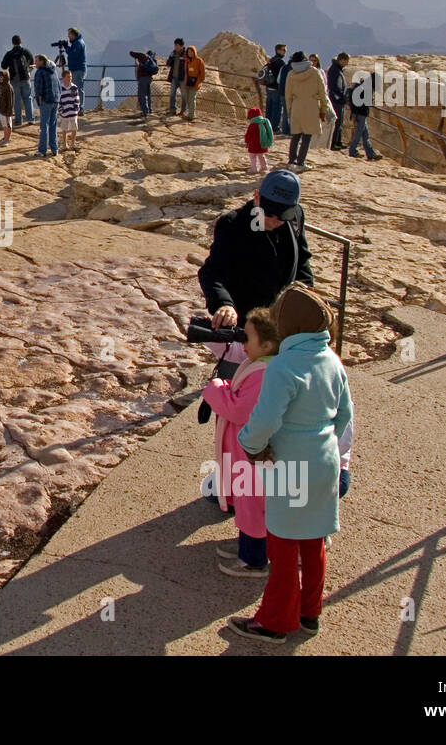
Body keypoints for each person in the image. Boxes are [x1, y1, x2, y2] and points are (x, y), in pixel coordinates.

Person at [229, 284, 351, 643]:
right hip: (325, 460)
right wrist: (323, 440)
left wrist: (250, 444)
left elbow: (265, 420)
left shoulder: (283, 366)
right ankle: (309, 613)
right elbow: (343, 415)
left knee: (282, 549)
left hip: (290, 465)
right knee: (313, 544)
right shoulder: (332, 360)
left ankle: (274, 622)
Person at [196, 169, 314, 381]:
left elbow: (302, 258)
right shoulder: (233, 224)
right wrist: (224, 304)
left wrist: (307, 292)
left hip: (280, 320)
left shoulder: (296, 217)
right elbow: (212, 271)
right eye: (269, 212)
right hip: (246, 324)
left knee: (277, 383)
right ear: (256, 196)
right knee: (236, 384)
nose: (275, 220)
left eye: (283, 215)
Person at [202, 307, 279, 578]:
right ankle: (248, 545)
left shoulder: (263, 375)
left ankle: (253, 561)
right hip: (247, 454)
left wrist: (215, 387)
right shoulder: (263, 364)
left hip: (252, 457)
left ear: (267, 345)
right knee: (249, 505)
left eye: (247, 338)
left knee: (253, 507)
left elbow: (238, 410)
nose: (242, 343)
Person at [284, 52, 325, 171]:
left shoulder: (291, 74)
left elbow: (288, 95)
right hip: (311, 107)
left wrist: (289, 110)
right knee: (307, 137)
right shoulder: (315, 72)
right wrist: (323, 109)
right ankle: (301, 163)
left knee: (295, 136)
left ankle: (292, 161)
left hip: (296, 107)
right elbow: (323, 93)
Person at [0, 35, 36, 126]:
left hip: (14, 80)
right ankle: (30, 119)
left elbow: (3, 66)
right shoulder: (25, 51)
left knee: (16, 99)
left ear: (13, 43)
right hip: (25, 78)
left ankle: (18, 121)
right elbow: (32, 61)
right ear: (20, 42)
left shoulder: (9, 54)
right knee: (28, 98)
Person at [347, 70, 383, 161]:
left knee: (365, 134)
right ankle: (352, 151)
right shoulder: (368, 87)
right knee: (358, 134)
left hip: (356, 112)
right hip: (361, 114)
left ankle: (370, 153)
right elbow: (367, 102)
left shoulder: (362, 84)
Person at [33, 54, 62, 157]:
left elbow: (38, 89)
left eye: (36, 61)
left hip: (46, 101)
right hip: (55, 100)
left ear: (42, 61)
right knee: (53, 125)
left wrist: (40, 102)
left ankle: (42, 150)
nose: (35, 63)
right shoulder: (53, 70)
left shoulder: (40, 72)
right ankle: (55, 149)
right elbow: (59, 86)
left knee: (44, 125)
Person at [311, 54, 338, 154]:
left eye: (314, 60)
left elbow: (325, 87)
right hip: (315, 101)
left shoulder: (320, 72)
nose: (312, 62)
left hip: (321, 99)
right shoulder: (309, 73)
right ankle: (316, 148)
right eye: (310, 60)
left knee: (328, 122)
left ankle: (322, 148)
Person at [260, 43, 287, 133]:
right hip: (276, 88)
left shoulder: (271, 60)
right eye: (283, 50)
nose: (285, 52)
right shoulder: (281, 62)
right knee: (277, 109)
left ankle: (266, 125)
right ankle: (274, 127)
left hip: (269, 87)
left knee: (269, 108)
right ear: (278, 50)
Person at [277, 49, 304, 136]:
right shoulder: (295, 70)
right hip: (292, 94)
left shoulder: (284, 67)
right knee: (293, 113)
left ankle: (285, 130)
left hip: (282, 93)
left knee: (285, 112)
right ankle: (293, 131)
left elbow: (278, 80)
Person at [326, 53, 350, 150]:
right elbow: (334, 87)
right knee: (336, 122)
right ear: (342, 60)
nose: (347, 63)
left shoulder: (337, 69)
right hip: (337, 100)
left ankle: (338, 141)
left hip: (340, 100)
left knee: (340, 122)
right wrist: (340, 97)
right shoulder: (335, 70)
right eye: (346, 61)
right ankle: (333, 143)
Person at [179, 44, 206, 121]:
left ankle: (192, 115)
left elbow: (202, 74)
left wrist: (198, 82)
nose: (190, 53)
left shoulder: (199, 61)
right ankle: (190, 113)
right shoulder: (187, 61)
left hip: (195, 82)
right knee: (187, 98)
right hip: (188, 82)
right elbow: (186, 72)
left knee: (192, 98)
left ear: (194, 52)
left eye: (191, 52)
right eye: (188, 52)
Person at [129, 49, 158, 118]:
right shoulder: (152, 61)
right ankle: (149, 110)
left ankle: (145, 111)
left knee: (142, 95)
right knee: (148, 94)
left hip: (143, 79)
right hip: (149, 78)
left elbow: (132, 53)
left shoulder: (143, 58)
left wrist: (136, 60)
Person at [244, 105, 273, 173]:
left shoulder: (253, 125)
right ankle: (264, 167)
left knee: (252, 157)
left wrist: (246, 141)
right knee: (261, 156)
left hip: (253, 145)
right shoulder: (264, 122)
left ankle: (254, 169)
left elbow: (248, 135)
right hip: (262, 144)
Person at [59, 68, 82, 151]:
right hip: (64, 111)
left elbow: (77, 98)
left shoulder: (74, 87)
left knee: (74, 127)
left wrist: (76, 108)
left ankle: (73, 144)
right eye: (68, 77)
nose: (70, 78)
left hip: (73, 111)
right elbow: (59, 100)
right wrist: (61, 110)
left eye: (71, 77)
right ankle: (65, 144)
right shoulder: (60, 88)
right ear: (63, 78)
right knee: (64, 128)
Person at [64, 28, 87, 103]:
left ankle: (80, 107)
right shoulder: (77, 42)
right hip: (76, 68)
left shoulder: (78, 43)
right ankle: (76, 105)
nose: (68, 36)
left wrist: (67, 48)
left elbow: (74, 55)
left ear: (73, 35)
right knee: (74, 88)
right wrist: (68, 47)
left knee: (77, 88)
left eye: (69, 34)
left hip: (78, 69)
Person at [166, 38, 186, 115]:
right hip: (174, 77)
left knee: (184, 95)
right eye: (175, 45)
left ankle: (183, 110)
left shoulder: (185, 54)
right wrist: (171, 57)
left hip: (182, 78)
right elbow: (168, 64)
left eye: (177, 45)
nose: (175, 47)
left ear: (181, 46)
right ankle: (172, 109)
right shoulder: (173, 53)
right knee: (172, 94)